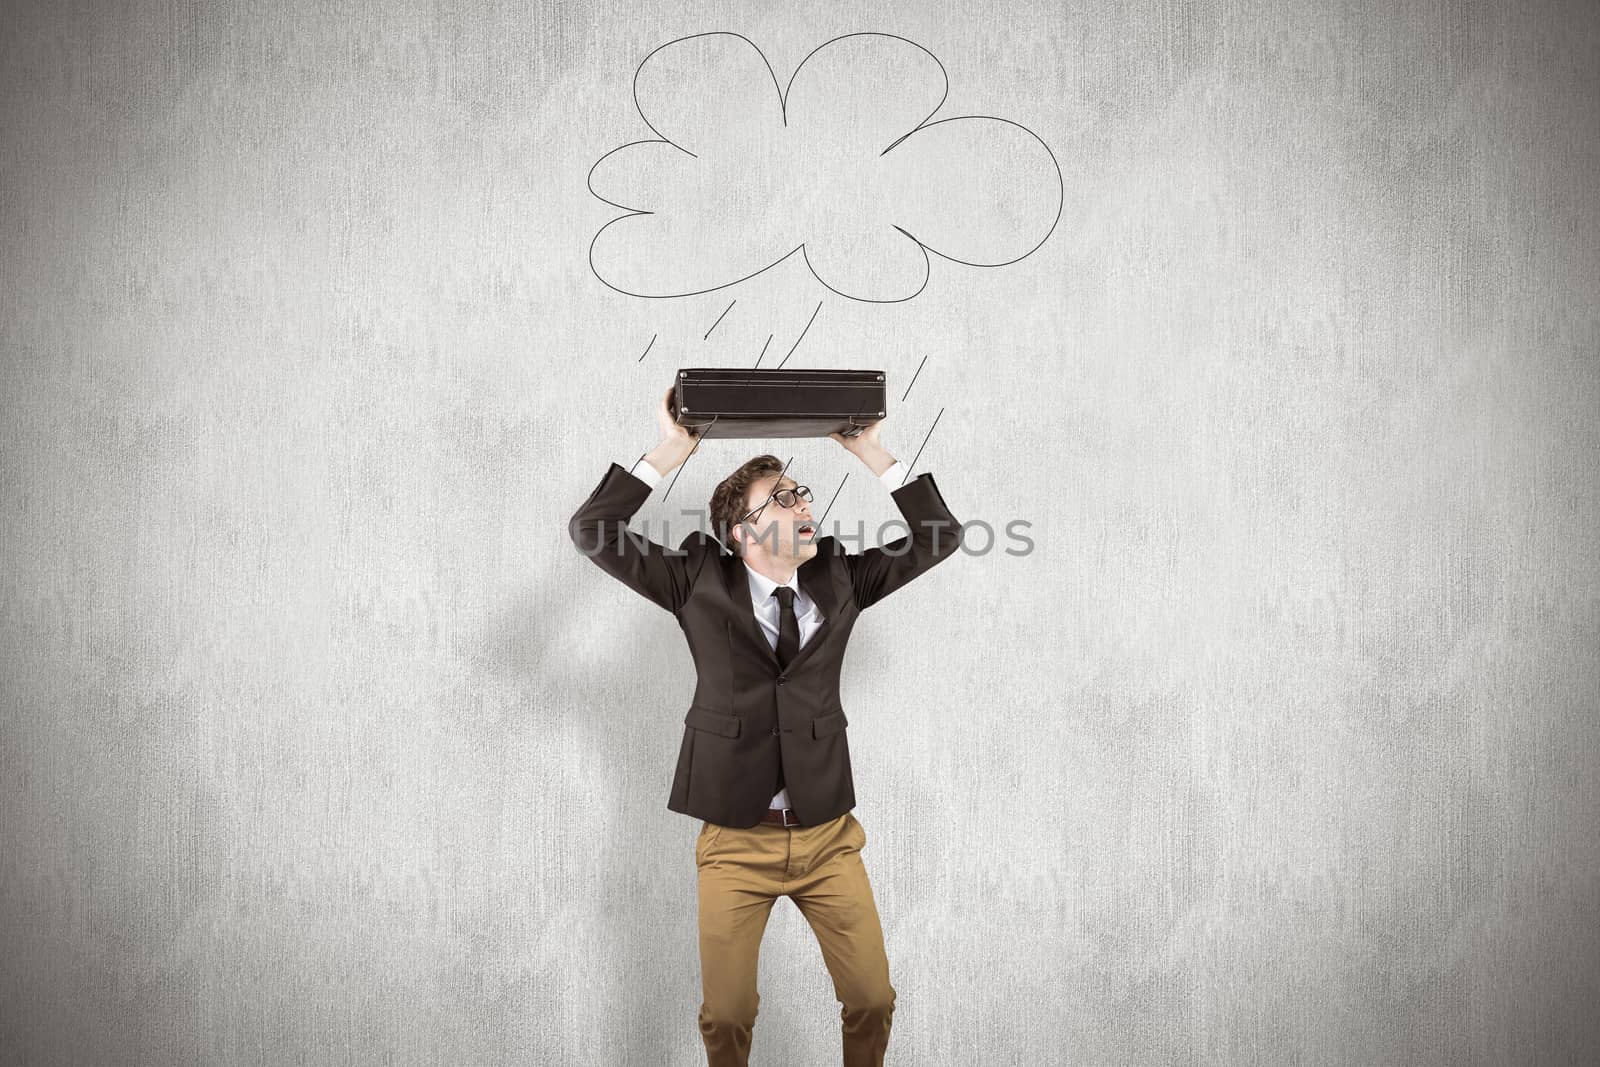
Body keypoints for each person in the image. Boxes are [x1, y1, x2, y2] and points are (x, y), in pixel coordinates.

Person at [568, 386, 963, 1066]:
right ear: (743, 531)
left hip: (828, 837)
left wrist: (870, 450)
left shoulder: (842, 576)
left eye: (803, 492)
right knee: (727, 1015)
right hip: (734, 841)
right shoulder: (696, 580)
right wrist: (671, 449)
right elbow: (593, 530)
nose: (806, 504)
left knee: (871, 996)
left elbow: (939, 537)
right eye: (784, 498)